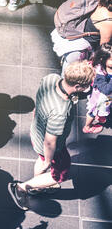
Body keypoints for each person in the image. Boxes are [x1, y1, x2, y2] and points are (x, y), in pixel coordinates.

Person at [8, 61, 96, 211]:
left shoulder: (51, 78)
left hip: (36, 133)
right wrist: (49, 160)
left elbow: (39, 101)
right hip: (51, 147)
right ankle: (22, 188)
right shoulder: (61, 110)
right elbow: (50, 141)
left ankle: (37, 186)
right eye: (85, 86)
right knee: (59, 175)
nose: (86, 89)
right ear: (77, 87)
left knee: (41, 160)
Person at [58, 0, 112, 73]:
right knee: (70, 74)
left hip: (74, 32)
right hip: (82, 48)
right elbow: (103, 48)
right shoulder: (109, 22)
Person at [83, 43, 112, 134]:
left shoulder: (108, 67)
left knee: (105, 108)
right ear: (102, 59)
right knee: (92, 112)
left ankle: (101, 116)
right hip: (99, 99)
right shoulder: (99, 74)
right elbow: (106, 90)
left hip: (107, 98)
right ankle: (87, 126)